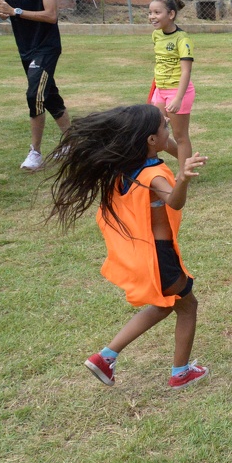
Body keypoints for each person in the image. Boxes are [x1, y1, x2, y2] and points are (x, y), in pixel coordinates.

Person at [46, 104, 209, 389]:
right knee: (186, 307)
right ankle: (179, 372)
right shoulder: (155, 174)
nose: (168, 130)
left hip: (145, 253)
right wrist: (182, 177)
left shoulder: (124, 168)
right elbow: (174, 201)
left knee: (164, 306)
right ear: (151, 141)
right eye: (164, 128)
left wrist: (161, 119)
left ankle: (106, 358)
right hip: (160, 256)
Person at [0, 0, 71, 171]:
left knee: (34, 95)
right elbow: (4, 7)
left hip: (46, 47)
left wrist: (14, 11)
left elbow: (51, 15)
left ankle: (34, 153)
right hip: (25, 47)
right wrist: (3, 12)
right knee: (48, 95)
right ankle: (72, 142)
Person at [148, 0, 195, 171]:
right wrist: (156, 89)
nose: (152, 16)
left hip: (178, 92)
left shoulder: (182, 39)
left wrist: (178, 98)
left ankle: (185, 174)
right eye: (150, 12)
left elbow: (186, 71)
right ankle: (187, 160)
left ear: (171, 14)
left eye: (157, 12)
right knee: (156, 133)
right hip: (160, 91)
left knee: (180, 136)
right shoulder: (156, 35)